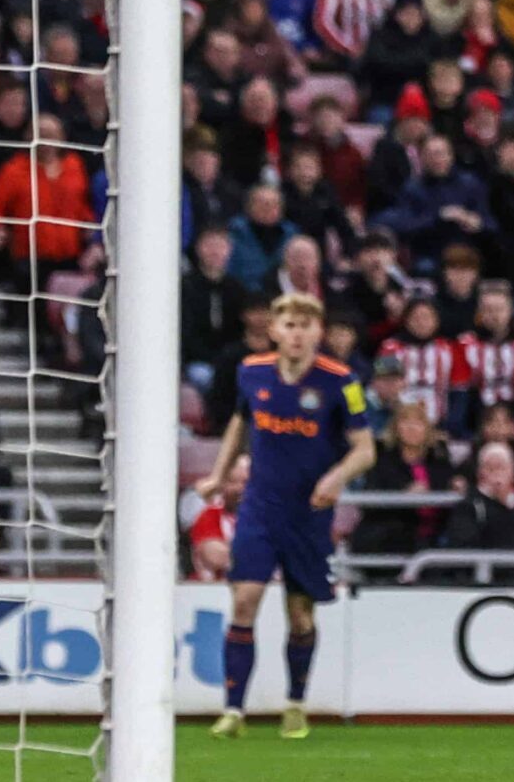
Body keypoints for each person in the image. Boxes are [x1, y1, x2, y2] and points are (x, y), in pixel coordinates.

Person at [191, 293, 375, 741]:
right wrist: (218, 475)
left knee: (300, 615)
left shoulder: (341, 381)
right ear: (274, 330)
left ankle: (295, 703)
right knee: (244, 600)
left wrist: (337, 477)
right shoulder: (251, 371)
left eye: (305, 326)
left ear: (318, 332)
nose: (297, 334)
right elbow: (240, 422)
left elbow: (366, 450)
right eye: (289, 325)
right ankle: (233, 709)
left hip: (308, 514)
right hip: (259, 507)